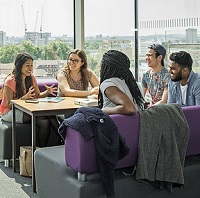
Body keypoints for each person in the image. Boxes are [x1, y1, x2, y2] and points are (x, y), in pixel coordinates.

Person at [0, 52, 61, 147]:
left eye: (31, 65)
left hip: (26, 109)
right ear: (19, 66)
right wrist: (24, 98)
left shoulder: (31, 78)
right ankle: (63, 137)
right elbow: (8, 105)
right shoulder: (10, 81)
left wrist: (47, 92)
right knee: (41, 117)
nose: (30, 68)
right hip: (9, 112)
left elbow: (38, 95)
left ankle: (40, 151)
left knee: (47, 119)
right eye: (27, 65)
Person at [98, 50, 145, 115]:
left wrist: (103, 110)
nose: (99, 68)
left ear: (106, 68)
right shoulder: (136, 85)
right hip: (137, 124)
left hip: (118, 124)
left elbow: (130, 108)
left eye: (101, 65)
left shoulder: (108, 84)